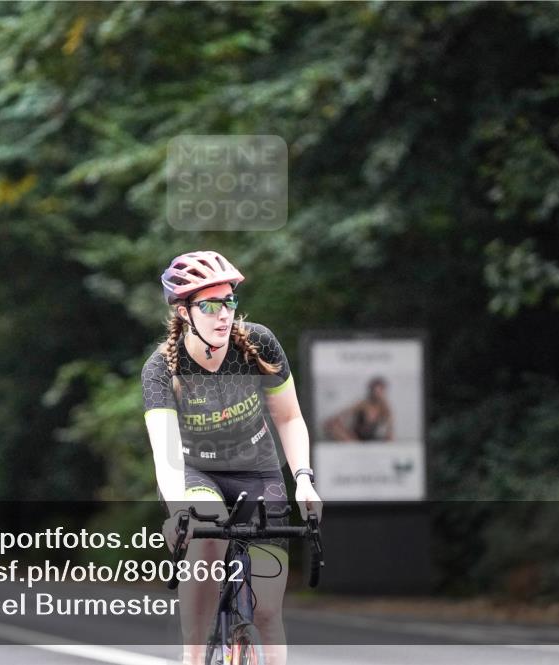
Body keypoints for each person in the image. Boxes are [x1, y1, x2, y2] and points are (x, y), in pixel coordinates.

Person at [141, 250, 322, 665]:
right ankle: (193, 655)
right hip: (195, 472)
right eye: (210, 305)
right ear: (184, 312)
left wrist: (304, 480)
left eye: (229, 301)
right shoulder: (160, 369)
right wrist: (178, 512)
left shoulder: (258, 344)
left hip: (258, 472)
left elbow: (290, 418)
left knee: (267, 612)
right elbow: (166, 456)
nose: (223, 314)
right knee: (207, 528)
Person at [323, 376, 395, 442]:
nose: (377, 394)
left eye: (380, 391)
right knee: (332, 425)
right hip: (354, 437)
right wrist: (336, 423)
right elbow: (342, 414)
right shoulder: (362, 404)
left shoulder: (385, 408)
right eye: (375, 391)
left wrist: (388, 437)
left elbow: (390, 429)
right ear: (371, 391)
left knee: (389, 439)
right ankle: (353, 443)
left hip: (370, 439)